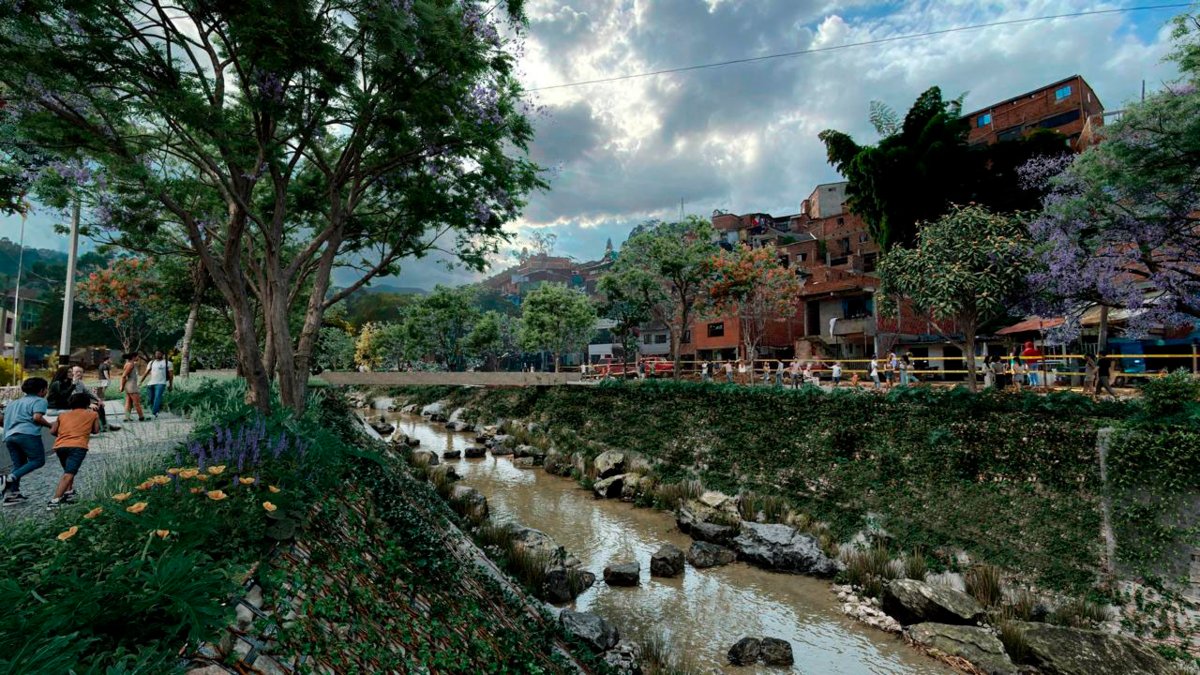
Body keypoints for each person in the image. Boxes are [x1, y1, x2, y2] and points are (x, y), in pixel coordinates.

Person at [1, 377, 52, 506]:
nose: (46, 391)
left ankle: (12, 494)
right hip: (28, 435)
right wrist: (51, 425)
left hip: (10, 436)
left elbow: (2, 418)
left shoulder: (13, 403)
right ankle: (8, 479)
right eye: (46, 388)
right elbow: (37, 417)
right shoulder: (39, 401)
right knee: (38, 460)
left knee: (18, 464)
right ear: (41, 390)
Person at [46, 392, 99, 509]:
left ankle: (69, 493)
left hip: (60, 446)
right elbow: (96, 430)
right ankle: (55, 500)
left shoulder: (62, 415)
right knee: (69, 473)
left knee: (67, 470)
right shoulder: (93, 414)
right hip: (78, 446)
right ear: (87, 403)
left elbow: (52, 431)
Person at [71, 365, 118, 432]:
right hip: (74, 404)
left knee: (99, 405)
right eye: (76, 372)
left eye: (80, 372)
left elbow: (88, 392)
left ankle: (104, 425)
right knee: (94, 407)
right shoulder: (71, 383)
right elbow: (74, 397)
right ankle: (99, 426)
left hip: (82, 403)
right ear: (72, 372)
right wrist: (88, 404)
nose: (79, 373)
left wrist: (98, 399)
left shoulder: (80, 382)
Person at [143, 350, 173, 418]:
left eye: (159, 354)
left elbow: (171, 375)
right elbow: (146, 372)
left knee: (157, 397)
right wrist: (141, 381)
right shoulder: (151, 362)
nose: (157, 355)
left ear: (162, 354)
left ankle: (154, 413)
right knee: (150, 399)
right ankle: (154, 410)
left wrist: (170, 385)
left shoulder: (168, 363)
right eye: (156, 354)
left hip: (161, 383)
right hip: (150, 383)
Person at [120, 353, 146, 422]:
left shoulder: (128, 364)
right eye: (137, 356)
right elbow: (124, 376)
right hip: (132, 386)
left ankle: (127, 417)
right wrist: (121, 386)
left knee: (128, 402)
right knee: (136, 402)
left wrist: (123, 386)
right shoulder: (130, 364)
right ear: (133, 357)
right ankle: (141, 417)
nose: (138, 357)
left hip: (129, 385)